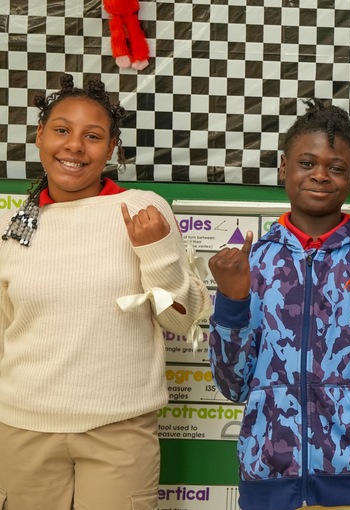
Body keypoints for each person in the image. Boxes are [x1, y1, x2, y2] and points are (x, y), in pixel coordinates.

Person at [0, 74, 212, 509]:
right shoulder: (13, 228)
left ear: (111, 148)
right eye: (62, 130)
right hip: (21, 429)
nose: (74, 146)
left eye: (92, 136)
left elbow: (181, 318)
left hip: (120, 431)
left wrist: (157, 255)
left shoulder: (142, 209)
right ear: (39, 136)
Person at [207, 98, 350, 510]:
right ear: (284, 168)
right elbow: (231, 385)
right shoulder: (252, 264)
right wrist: (232, 302)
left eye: (336, 167)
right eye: (307, 163)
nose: (321, 175)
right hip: (269, 483)